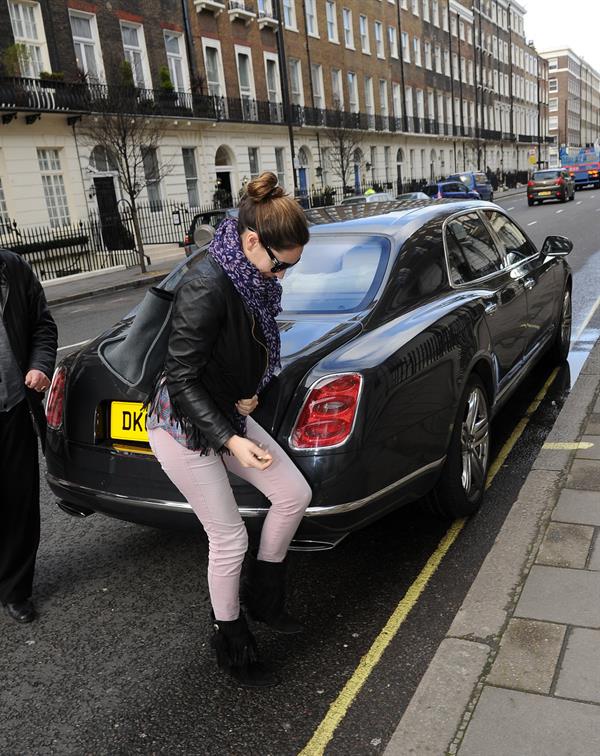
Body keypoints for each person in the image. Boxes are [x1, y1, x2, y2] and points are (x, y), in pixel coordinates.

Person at [146, 172, 312, 687]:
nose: (282, 276)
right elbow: (181, 376)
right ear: (250, 241)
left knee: (292, 494)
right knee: (228, 538)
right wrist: (232, 438)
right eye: (280, 265)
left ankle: (264, 596)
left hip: (226, 414)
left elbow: (243, 350)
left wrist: (251, 390)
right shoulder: (208, 282)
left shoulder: (251, 277)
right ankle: (232, 641)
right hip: (184, 426)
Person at [0, 249, 58, 623]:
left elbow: (42, 324)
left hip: (12, 406)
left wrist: (39, 365)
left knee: (18, 500)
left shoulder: (13, 269)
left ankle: (15, 588)